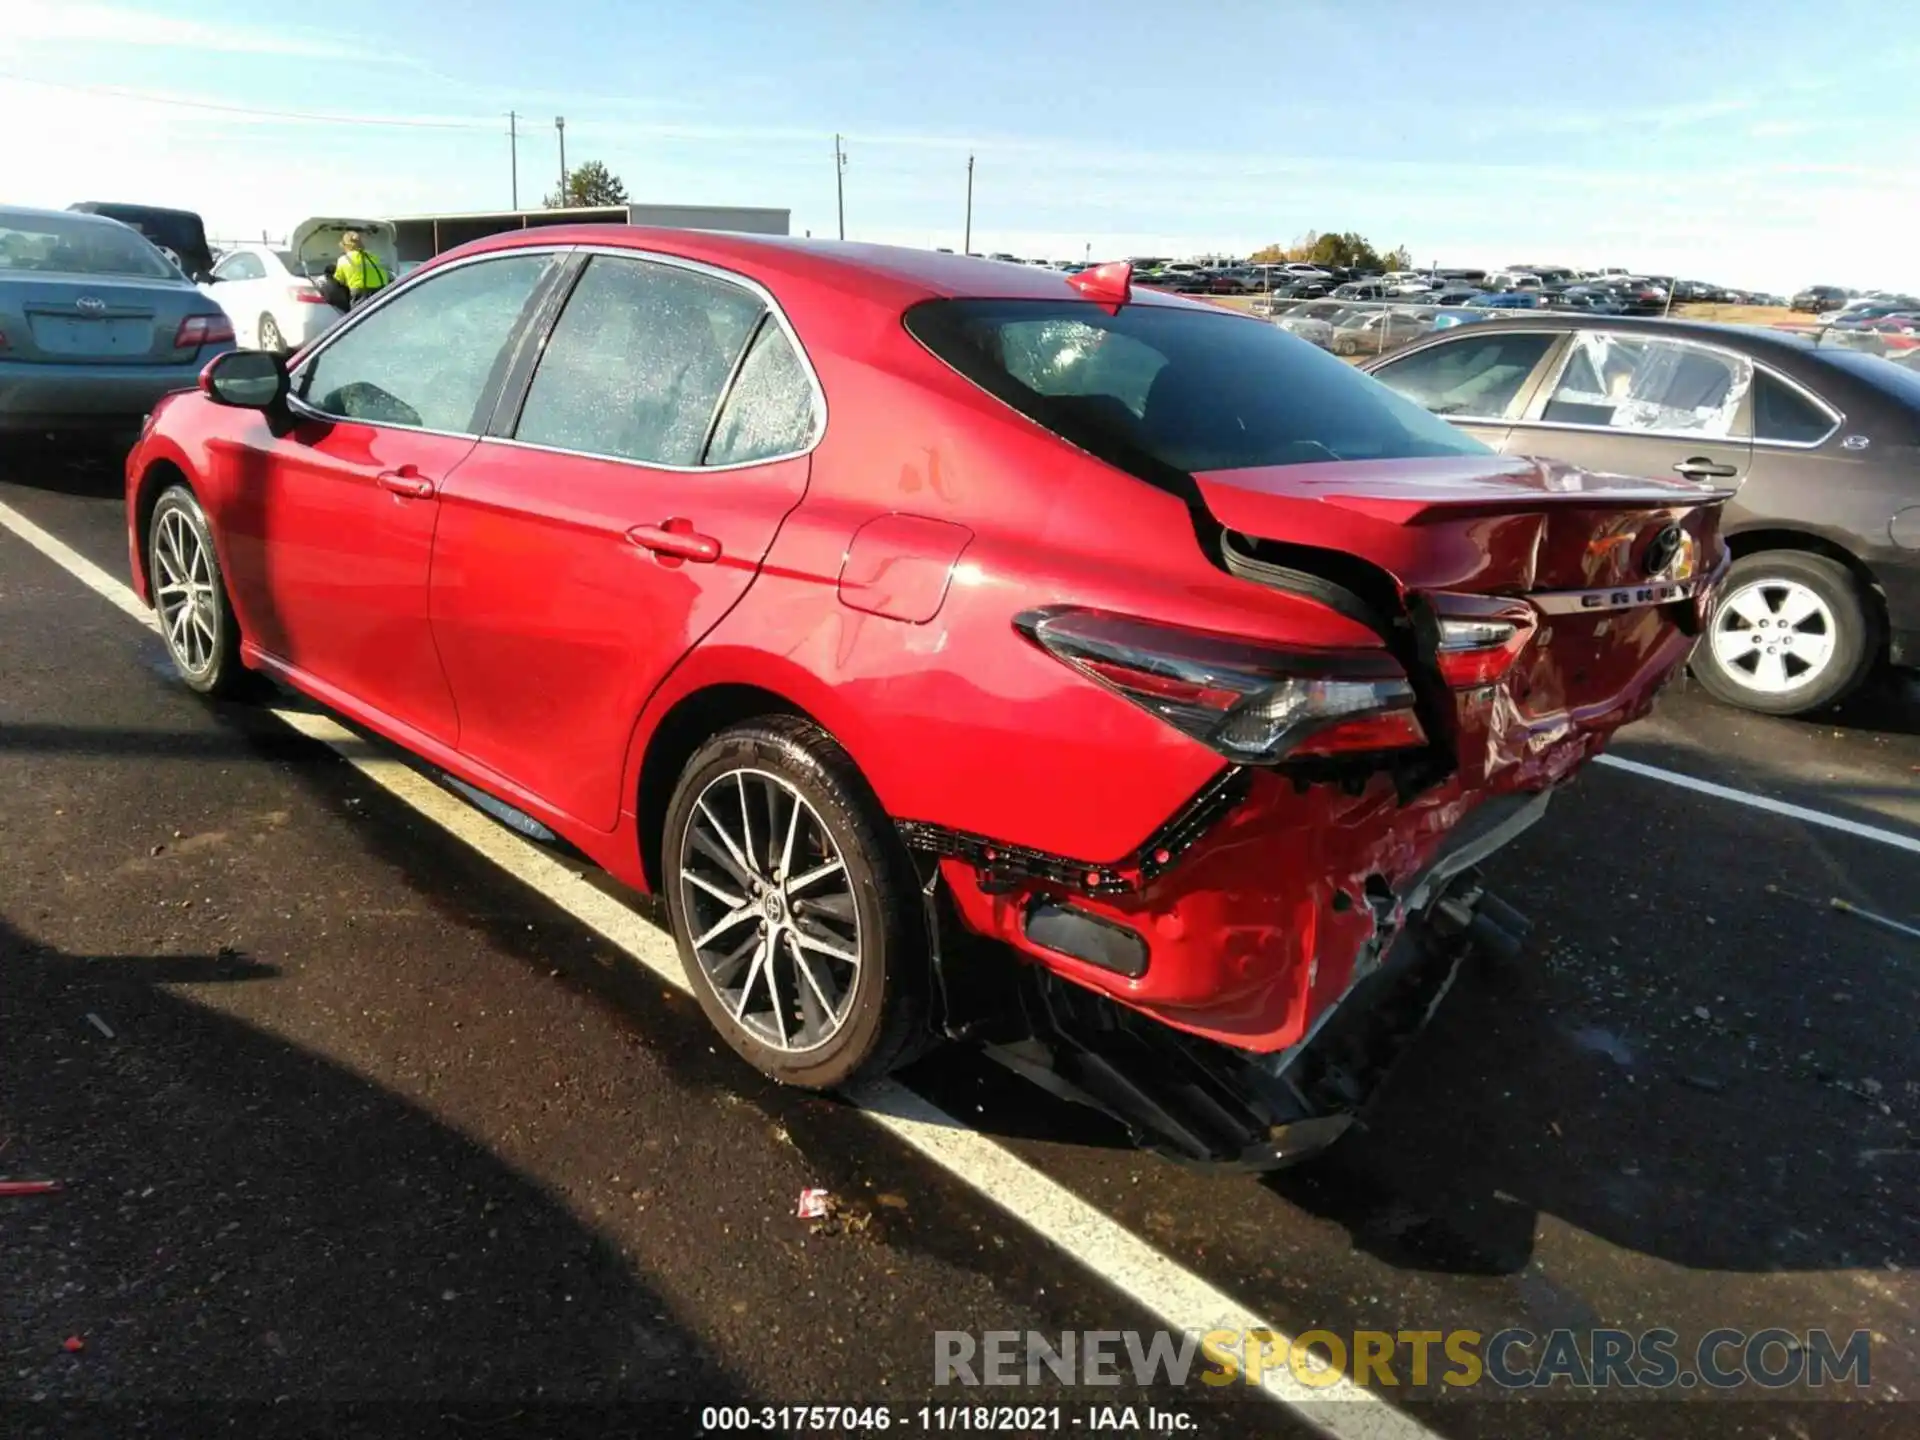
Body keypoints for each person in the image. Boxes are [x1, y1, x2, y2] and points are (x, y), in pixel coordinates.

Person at [333, 231, 390, 307]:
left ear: (344, 246)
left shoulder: (343, 259)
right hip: (382, 291)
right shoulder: (373, 257)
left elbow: (338, 281)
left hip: (361, 293)